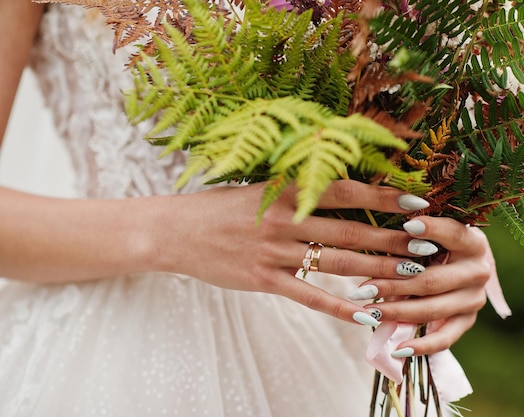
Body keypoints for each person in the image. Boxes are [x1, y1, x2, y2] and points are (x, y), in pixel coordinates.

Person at [0, 2, 494, 416]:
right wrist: (170, 231)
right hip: (116, 346)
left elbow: (408, 127)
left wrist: (445, 243)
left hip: (333, 333)